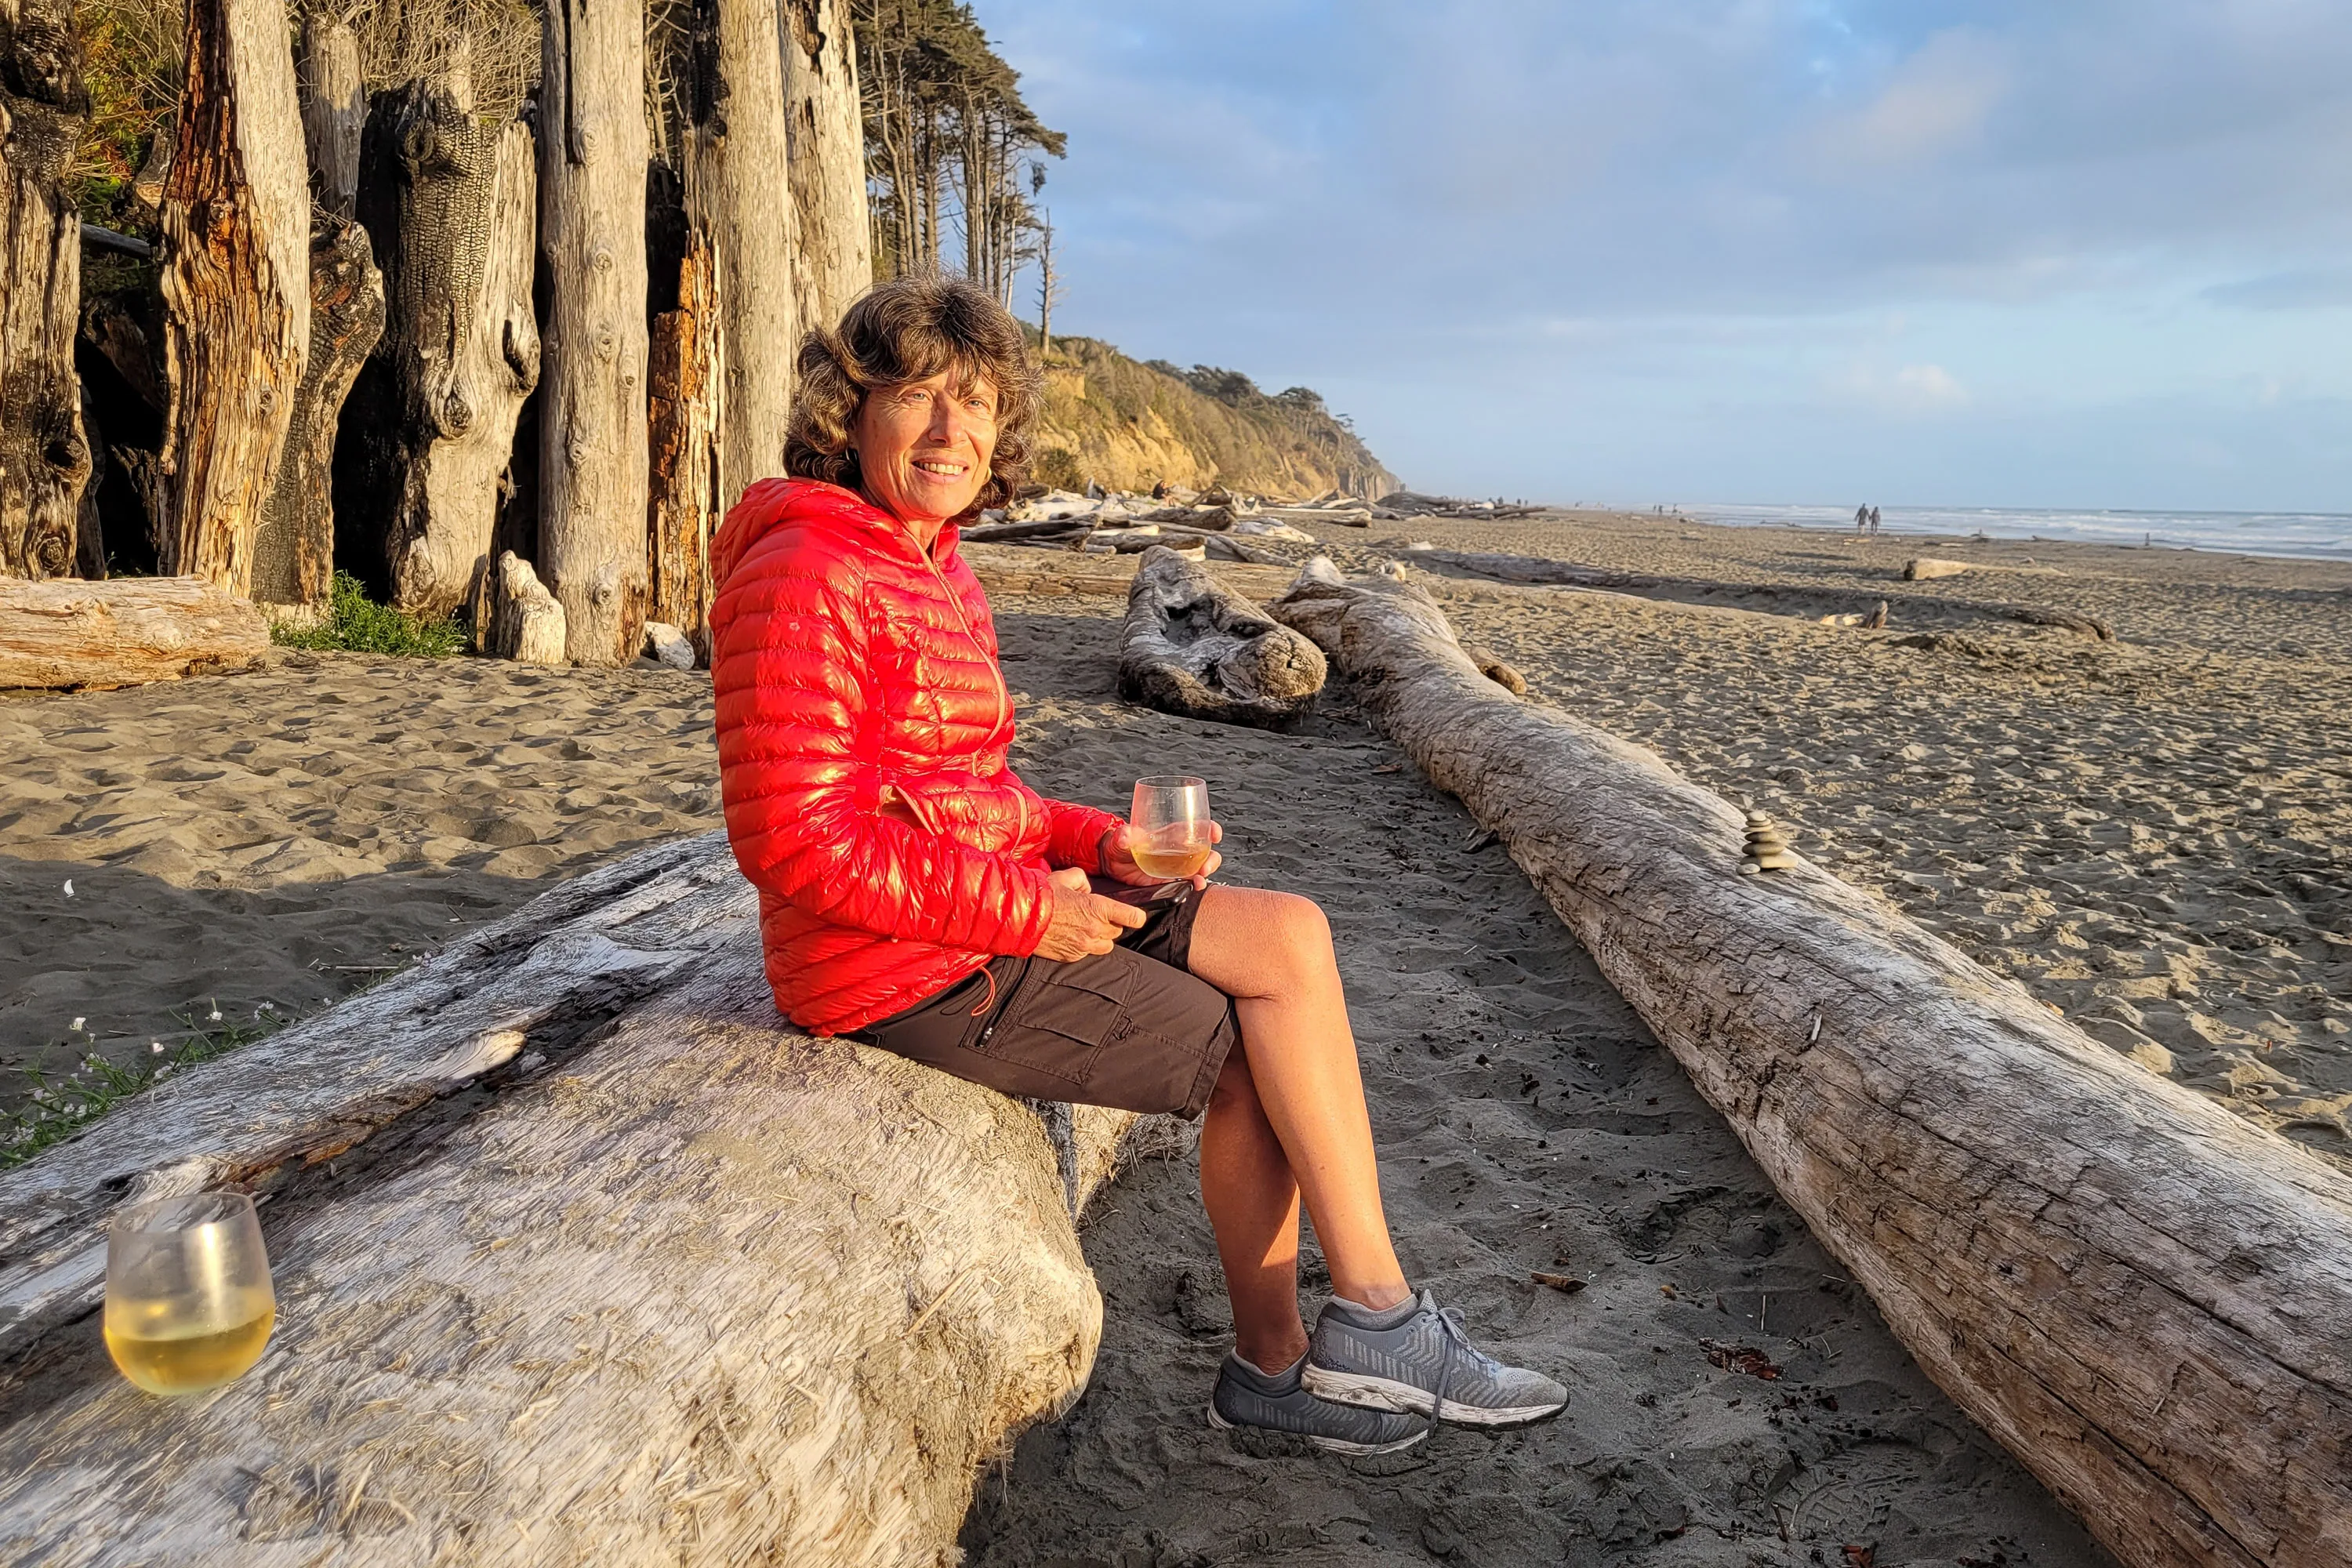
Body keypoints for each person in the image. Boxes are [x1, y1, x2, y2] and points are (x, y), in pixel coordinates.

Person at [706, 277, 1566, 1455]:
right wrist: (1026, 908)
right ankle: (1277, 1365)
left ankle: (1375, 1318)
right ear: (849, 414)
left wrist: (1090, 845)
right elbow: (794, 841)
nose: (954, 430)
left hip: (965, 910)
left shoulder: (929, 559)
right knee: (1244, 1051)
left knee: (1290, 937)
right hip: (893, 968)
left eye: (978, 401)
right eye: (917, 396)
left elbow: (966, 788)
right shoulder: (809, 567)